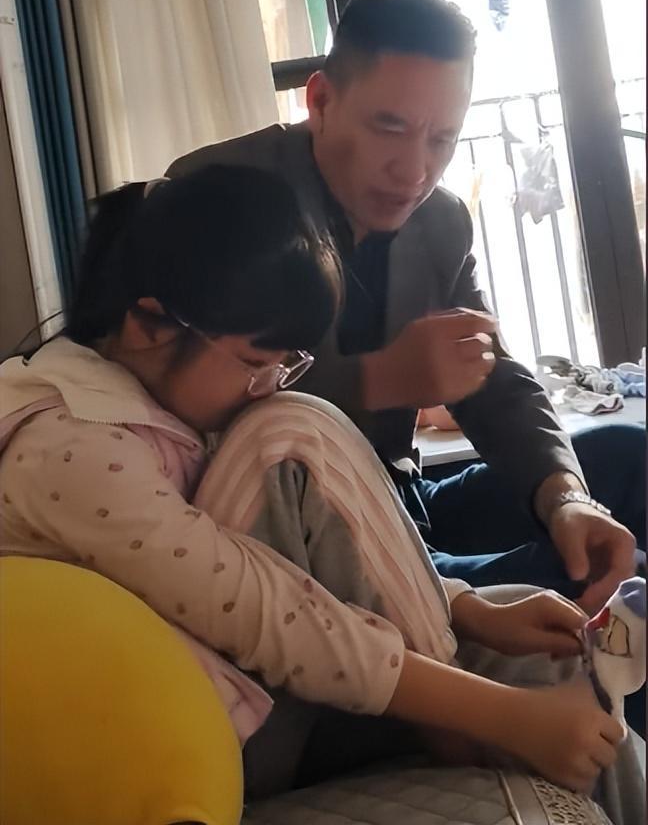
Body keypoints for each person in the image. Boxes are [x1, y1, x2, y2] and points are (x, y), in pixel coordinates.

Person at [0, 164, 642, 824]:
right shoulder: (69, 449)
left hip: (253, 698)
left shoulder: (165, 407)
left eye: (286, 365)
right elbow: (277, 615)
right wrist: (501, 715)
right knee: (291, 429)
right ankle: (461, 731)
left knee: (560, 670)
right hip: (194, 748)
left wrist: (466, 607)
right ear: (149, 324)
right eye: (257, 363)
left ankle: (473, 711)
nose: (268, 384)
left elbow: (285, 576)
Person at [167, 0, 644, 622]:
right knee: (582, 586)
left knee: (628, 456)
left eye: (442, 138)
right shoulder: (218, 198)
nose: (415, 171)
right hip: (307, 546)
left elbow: (492, 377)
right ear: (320, 100)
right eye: (389, 127)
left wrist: (565, 498)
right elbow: (190, 407)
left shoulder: (440, 221)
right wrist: (380, 379)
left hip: (407, 502)